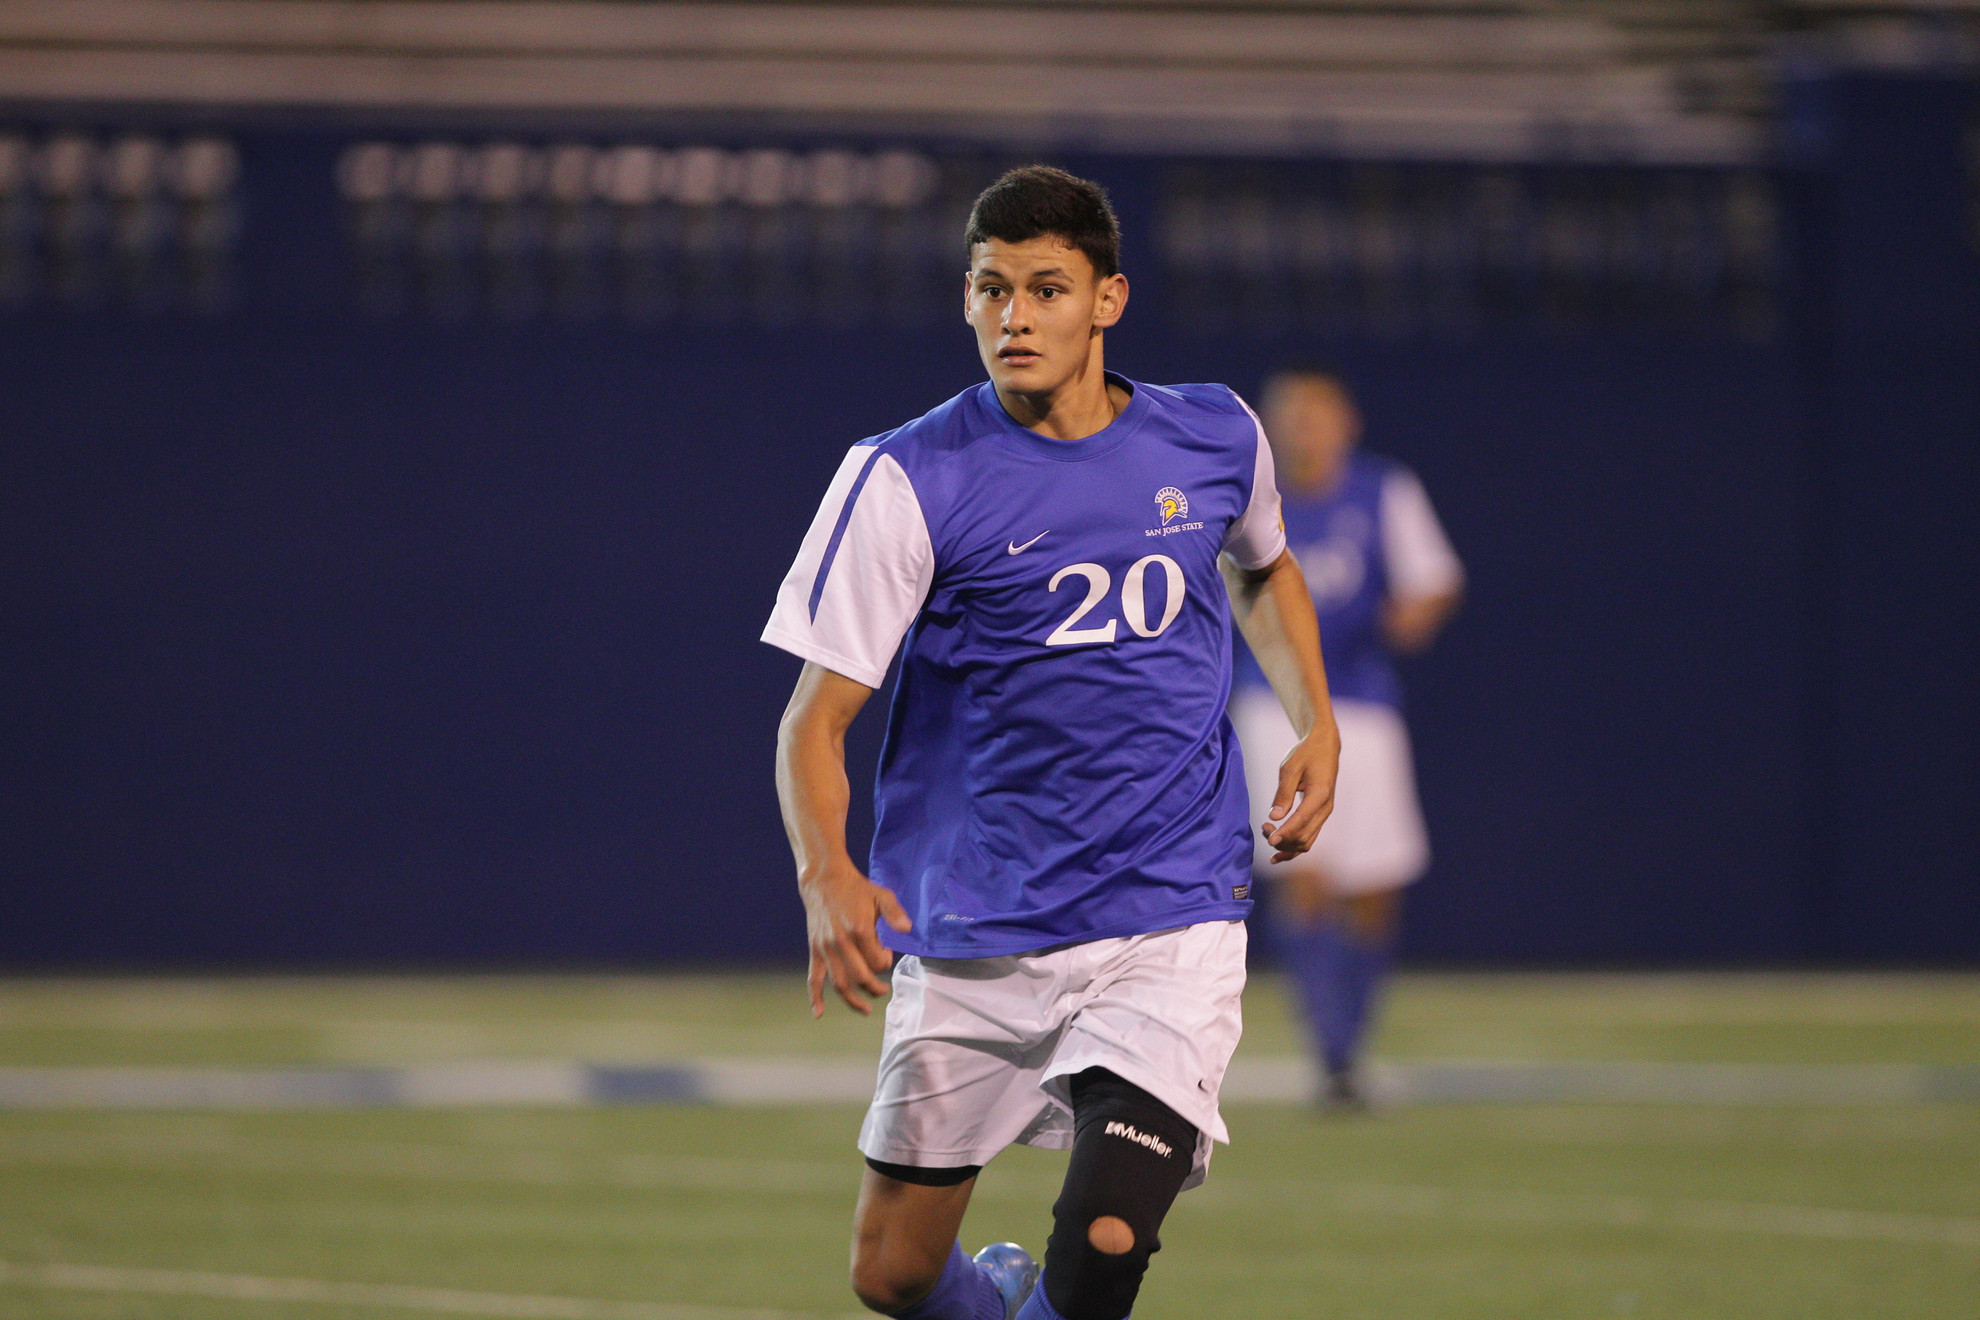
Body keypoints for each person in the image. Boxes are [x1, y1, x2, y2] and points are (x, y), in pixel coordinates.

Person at [764, 166, 1339, 1320]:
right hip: (979, 920)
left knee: (1110, 1234)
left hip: (1167, 909)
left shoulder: (1216, 434)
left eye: (1045, 288)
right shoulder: (905, 477)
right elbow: (814, 721)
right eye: (991, 290)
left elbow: (1264, 566)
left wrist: (1315, 720)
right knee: (894, 1275)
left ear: (1108, 301)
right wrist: (827, 871)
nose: (1014, 317)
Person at [1228, 368, 1463, 1110]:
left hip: (1363, 707)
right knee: (1307, 872)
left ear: (1346, 424)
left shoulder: (1381, 491)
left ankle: (1350, 1041)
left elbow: (1433, 577)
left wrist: (1412, 612)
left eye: (1317, 416)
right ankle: (1330, 1051)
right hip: (1275, 705)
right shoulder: (1250, 501)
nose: (1304, 430)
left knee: (1373, 889)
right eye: (1290, 418)